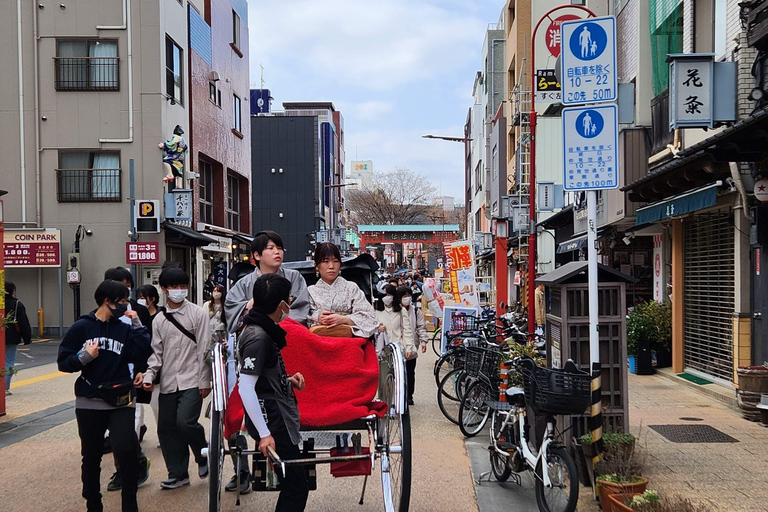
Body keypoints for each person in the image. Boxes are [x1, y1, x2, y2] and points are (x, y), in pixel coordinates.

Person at [57, 280, 153, 512]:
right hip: (89, 399)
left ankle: (130, 504)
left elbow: (142, 352)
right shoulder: (82, 327)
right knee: (91, 456)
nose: (125, 305)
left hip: (121, 398)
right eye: (121, 301)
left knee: (126, 450)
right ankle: (93, 503)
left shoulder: (124, 328)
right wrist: (84, 357)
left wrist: (138, 324)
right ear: (107, 302)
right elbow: (63, 362)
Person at [237, 273, 308, 511]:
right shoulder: (258, 337)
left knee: (293, 483)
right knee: (296, 485)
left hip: (275, 410)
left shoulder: (260, 328)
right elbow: (245, 386)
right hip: (272, 418)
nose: (289, 305)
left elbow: (261, 378)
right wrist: (265, 434)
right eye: (288, 300)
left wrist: (287, 380)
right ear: (281, 305)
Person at [142, 267, 212, 489]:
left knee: (186, 422)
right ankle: (178, 473)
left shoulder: (198, 314)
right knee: (166, 428)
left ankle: (203, 454)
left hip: (192, 379)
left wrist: (205, 381)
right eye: (174, 287)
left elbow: (205, 349)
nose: (179, 291)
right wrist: (150, 375)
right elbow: (156, 352)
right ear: (163, 289)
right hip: (168, 382)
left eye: (183, 286)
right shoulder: (159, 320)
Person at [103, 268, 151, 491]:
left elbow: (147, 345)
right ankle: (136, 461)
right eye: (118, 283)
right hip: (105, 380)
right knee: (114, 428)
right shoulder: (100, 314)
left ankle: (125, 470)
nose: (125, 287)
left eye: (127, 283)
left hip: (131, 377)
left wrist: (144, 371)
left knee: (123, 427)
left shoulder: (140, 310)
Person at [225, 230, 310, 333]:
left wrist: (280, 326)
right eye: (270, 248)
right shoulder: (243, 284)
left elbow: (301, 310)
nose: (277, 252)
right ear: (257, 255)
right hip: (256, 336)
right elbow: (232, 310)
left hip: (287, 335)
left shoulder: (294, 277)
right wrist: (249, 305)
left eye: (279, 248)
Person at [307, 242, 378, 338]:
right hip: (319, 341)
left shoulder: (351, 288)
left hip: (348, 341)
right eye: (325, 261)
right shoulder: (310, 291)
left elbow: (370, 318)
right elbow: (302, 318)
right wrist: (318, 317)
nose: (331, 266)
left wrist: (344, 319)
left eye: (335, 261)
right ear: (316, 266)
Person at [399, 286, 428, 406]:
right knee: (399, 372)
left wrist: (423, 341)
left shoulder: (416, 311)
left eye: (408, 296)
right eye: (404, 296)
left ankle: (409, 395)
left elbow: (421, 327)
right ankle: (399, 395)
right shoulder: (396, 311)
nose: (407, 298)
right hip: (399, 345)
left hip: (412, 347)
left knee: (410, 372)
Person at [4, 281, 32, 394]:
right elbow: (23, 323)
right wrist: (27, 338)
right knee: (9, 361)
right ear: (12, 291)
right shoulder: (17, 304)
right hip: (12, 337)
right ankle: (4, 388)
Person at [376, 284, 415, 361]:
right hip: (382, 349)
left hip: (398, 348)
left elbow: (407, 330)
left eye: (389, 295)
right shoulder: (377, 311)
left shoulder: (401, 310)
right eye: (385, 295)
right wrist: (378, 328)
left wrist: (409, 347)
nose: (386, 297)